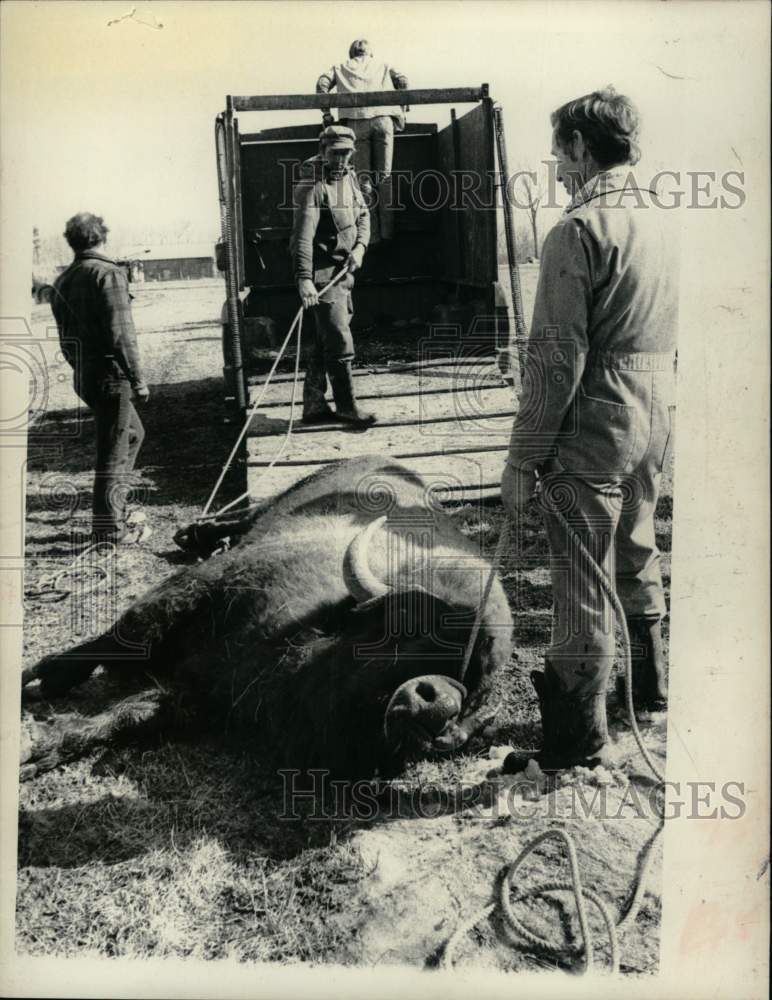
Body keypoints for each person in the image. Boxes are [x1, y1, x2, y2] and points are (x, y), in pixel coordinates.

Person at [501, 87, 678, 769]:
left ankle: (578, 743)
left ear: (580, 146)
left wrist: (524, 457)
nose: (557, 168)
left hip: (597, 414)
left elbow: (555, 359)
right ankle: (653, 693)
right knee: (638, 547)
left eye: (559, 153)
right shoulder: (662, 219)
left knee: (581, 581)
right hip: (656, 408)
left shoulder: (577, 230)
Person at [51, 212, 150, 544]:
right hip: (111, 375)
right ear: (102, 236)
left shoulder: (64, 280)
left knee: (133, 435)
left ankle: (115, 511)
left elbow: (66, 339)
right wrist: (137, 378)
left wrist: (83, 368)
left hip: (86, 374)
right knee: (113, 449)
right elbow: (122, 334)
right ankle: (109, 529)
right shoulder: (108, 274)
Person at [290, 125, 376, 428]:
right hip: (323, 277)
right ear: (323, 150)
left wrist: (361, 248)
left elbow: (363, 215)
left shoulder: (350, 179)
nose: (340, 159)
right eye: (335, 153)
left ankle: (313, 405)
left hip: (344, 273)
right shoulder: (311, 187)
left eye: (346, 153)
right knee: (339, 339)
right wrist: (304, 279)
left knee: (324, 340)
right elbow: (301, 238)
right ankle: (347, 407)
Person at [316, 39, 409, 242]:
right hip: (383, 120)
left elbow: (321, 84)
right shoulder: (383, 65)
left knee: (363, 180)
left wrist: (326, 115)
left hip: (356, 123)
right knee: (384, 178)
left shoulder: (339, 67)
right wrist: (403, 108)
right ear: (370, 53)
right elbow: (403, 81)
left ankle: (371, 236)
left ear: (351, 54)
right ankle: (388, 234)